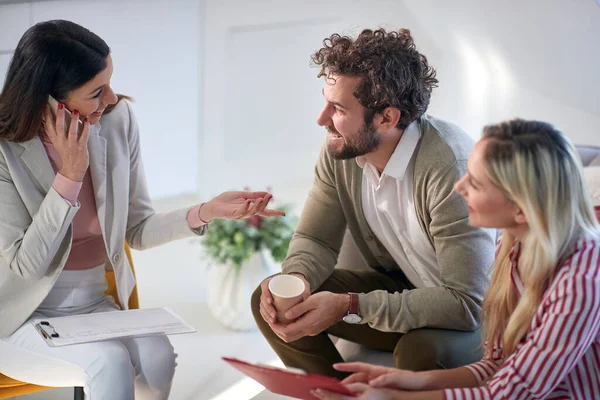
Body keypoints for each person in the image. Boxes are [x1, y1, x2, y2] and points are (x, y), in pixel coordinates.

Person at [0, 20, 284, 400]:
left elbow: (137, 228)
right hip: (20, 317)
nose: (112, 99)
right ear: (50, 100)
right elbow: (23, 266)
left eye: (110, 83)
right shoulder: (5, 150)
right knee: (110, 362)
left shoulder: (117, 122)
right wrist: (68, 176)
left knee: (157, 353)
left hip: (94, 305)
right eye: (97, 92)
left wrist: (207, 211)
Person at [251, 28, 496, 378]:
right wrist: (297, 280)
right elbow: (316, 239)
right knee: (270, 302)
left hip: (476, 315)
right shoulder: (342, 151)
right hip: (406, 289)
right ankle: (335, 392)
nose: (321, 120)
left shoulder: (450, 168)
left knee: (420, 352)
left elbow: (468, 302)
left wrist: (351, 305)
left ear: (386, 118)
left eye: (337, 108)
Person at [312, 119, 600, 400]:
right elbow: (497, 366)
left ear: (520, 209)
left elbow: (508, 392)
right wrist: (409, 381)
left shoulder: (581, 282)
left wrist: (392, 397)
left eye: (476, 183)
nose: (459, 187)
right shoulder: (513, 246)